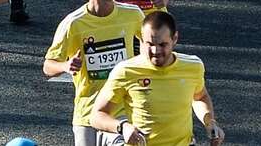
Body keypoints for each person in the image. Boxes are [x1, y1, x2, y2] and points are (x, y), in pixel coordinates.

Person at [44, 0, 145, 146]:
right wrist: (65, 66)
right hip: (87, 116)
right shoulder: (74, 24)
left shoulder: (133, 15)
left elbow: (151, 47)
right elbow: (48, 66)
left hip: (123, 113)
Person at [89, 11, 224, 146]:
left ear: (175, 38)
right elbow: (96, 116)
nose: (155, 51)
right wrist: (122, 127)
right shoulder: (126, 71)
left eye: (162, 45)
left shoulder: (193, 66)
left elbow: (200, 97)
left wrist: (210, 122)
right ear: (141, 39)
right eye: (149, 44)